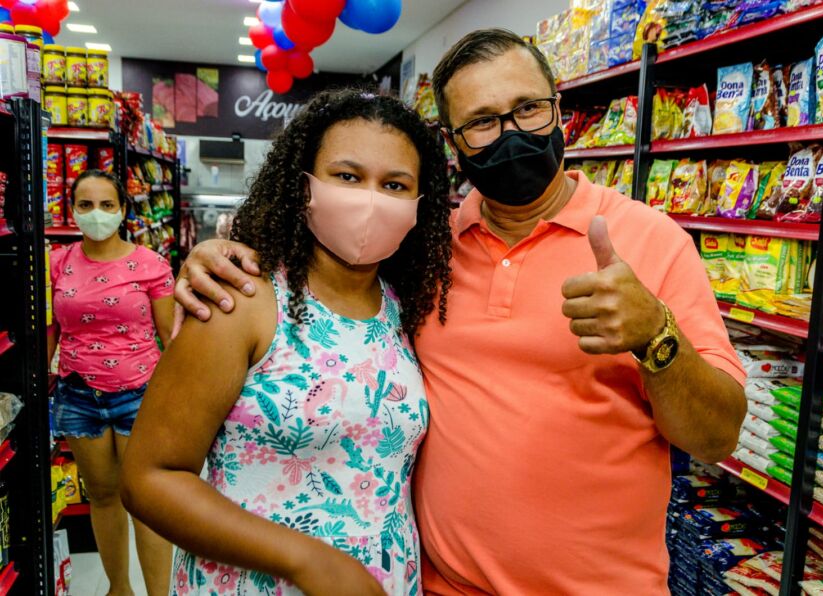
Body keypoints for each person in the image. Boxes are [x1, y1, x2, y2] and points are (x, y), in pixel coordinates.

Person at [172, 30, 748, 594]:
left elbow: (716, 438)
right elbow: (330, 273)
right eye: (482, 122)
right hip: (438, 583)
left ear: (559, 110)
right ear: (452, 142)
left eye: (528, 108)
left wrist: (656, 337)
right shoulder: (424, 250)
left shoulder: (652, 241)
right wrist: (218, 256)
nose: (511, 133)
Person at [120, 89, 453, 596]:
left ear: (418, 204)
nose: (370, 199)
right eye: (347, 176)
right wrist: (307, 562)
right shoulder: (242, 299)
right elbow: (150, 478)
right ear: (303, 185)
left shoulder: (405, 308)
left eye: (394, 184)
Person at [48, 170, 174, 596]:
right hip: (78, 395)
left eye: (106, 205)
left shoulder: (151, 264)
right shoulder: (55, 263)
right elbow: (50, 332)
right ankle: (119, 589)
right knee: (102, 496)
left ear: (122, 210)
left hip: (140, 393)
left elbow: (170, 336)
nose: (96, 214)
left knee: (144, 500)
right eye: (85, 205)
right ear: (72, 210)